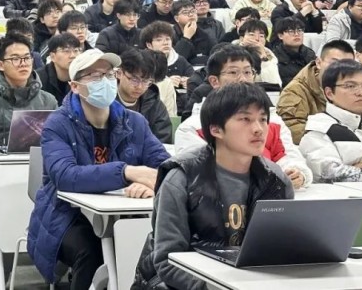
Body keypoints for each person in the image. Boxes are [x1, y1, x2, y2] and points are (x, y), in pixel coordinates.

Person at [27, 49, 169, 289]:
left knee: (155, 247)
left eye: (109, 74)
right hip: (65, 215)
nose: (104, 81)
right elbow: (64, 176)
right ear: (75, 86)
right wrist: (126, 172)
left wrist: (150, 185)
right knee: (92, 251)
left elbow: (165, 166)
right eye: (94, 76)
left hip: (125, 215)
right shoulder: (57, 124)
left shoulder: (134, 122)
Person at [133, 82, 295, 289]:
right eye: (245, 119)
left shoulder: (275, 179)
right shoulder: (182, 179)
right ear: (216, 129)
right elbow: (167, 262)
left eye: (263, 119)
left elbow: (282, 251)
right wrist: (219, 286)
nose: (258, 129)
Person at [175, 45, 312, 185]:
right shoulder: (192, 128)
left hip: (271, 193)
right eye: (233, 72)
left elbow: (289, 156)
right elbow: (199, 173)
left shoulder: (272, 121)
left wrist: (296, 173)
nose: (243, 79)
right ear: (214, 81)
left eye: (247, 72)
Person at [0, 33, 58, 201]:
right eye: (15, 59)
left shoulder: (48, 101)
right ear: (0, 64)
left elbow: (58, 147)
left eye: (26, 58)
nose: (23, 63)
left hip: (42, 182)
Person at [298, 60, 362, 182]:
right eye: (350, 86)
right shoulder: (319, 130)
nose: (361, 93)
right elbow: (331, 175)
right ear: (329, 93)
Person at [278, 40, 355, 144]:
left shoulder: (357, 88)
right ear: (318, 63)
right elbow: (292, 132)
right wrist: (334, 135)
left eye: (347, 66)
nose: (341, 70)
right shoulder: (294, 91)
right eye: (334, 63)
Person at [117, 48, 172, 143]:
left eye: (146, 81)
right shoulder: (106, 100)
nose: (139, 87)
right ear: (119, 73)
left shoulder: (155, 104)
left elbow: (162, 141)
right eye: (134, 80)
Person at [140, 21, 194, 99]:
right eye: (159, 40)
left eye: (168, 39)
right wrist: (166, 83)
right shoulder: (143, 61)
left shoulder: (179, 59)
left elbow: (193, 77)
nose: (165, 43)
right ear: (149, 45)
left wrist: (189, 82)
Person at [36, 33, 81, 104]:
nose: (73, 56)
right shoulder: (38, 78)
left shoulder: (85, 76)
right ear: (52, 57)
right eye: (66, 51)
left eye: (76, 51)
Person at [235, 20, 282, 87]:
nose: (257, 39)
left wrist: (263, 55)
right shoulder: (232, 54)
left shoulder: (270, 56)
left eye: (261, 36)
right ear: (241, 38)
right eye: (251, 35)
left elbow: (275, 84)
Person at [271, 17, 316, 87]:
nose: (296, 34)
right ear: (280, 36)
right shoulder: (274, 57)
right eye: (291, 31)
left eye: (299, 30)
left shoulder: (310, 54)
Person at [172, 0, 216, 65]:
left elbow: (213, 58)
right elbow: (175, 61)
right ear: (176, 18)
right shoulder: (170, 35)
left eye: (193, 11)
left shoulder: (204, 34)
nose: (191, 15)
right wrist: (186, 37)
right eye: (185, 12)